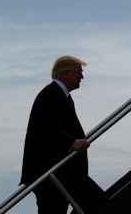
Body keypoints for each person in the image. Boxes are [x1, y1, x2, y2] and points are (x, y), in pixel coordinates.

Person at [20, 55, 106, 214]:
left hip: (60, 172)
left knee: (89, 203)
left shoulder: (59, 95)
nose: (82, 77)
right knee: (96, 202)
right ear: (64, 74)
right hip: (52, 172)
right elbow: (44, 128)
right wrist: (71, 142)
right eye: (78, 72)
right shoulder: (51, 94)